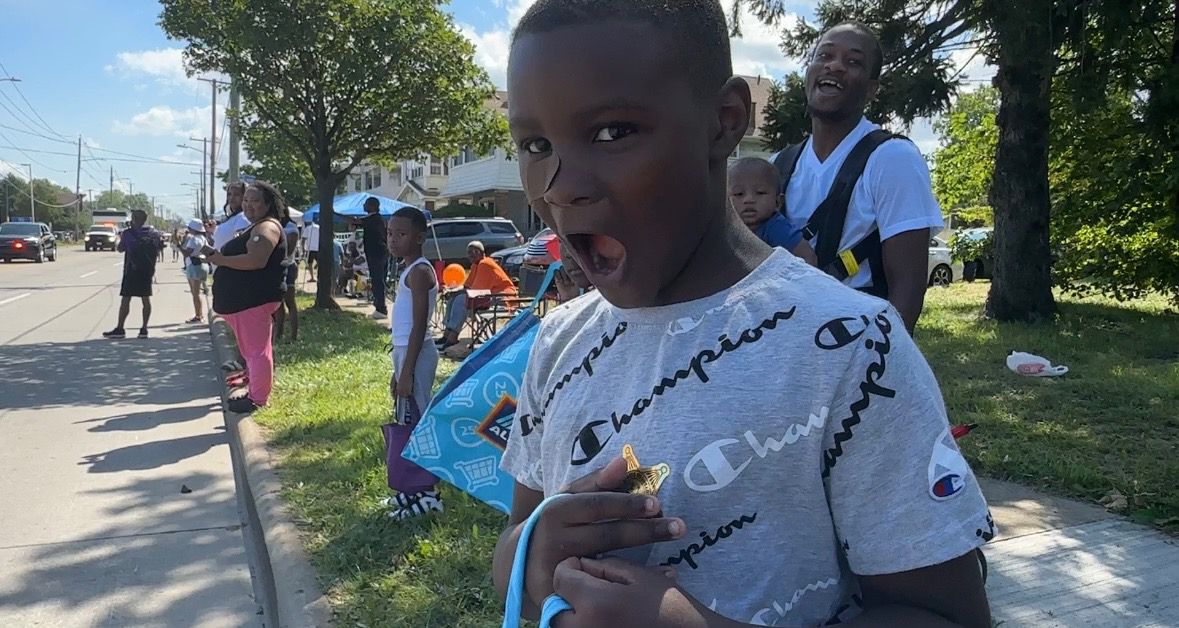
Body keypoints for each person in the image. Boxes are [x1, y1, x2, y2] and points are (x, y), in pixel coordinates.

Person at [491, 2, 993, 627]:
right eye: (535, 144)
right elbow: (513, 541)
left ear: (725, 120)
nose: (558, 185)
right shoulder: (559, 342)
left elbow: (947, 618)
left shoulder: (851, 348)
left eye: (612, 132)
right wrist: (533, 554)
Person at [776, 22, 944, 334]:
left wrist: (881, 362)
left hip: (854, 342)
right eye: (824, 55)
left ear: (870, 89)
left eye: (853, 62)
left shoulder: (892, 159)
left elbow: (907, 285)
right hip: (783, 344)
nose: (834, 65)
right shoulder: (780, 165)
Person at [206, 181, 287, 414]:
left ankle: (258, 399)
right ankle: (255, 390)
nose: (248, 205)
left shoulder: (267, 228)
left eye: (255, 201)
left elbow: (256, 260)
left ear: (268, 204)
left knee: (257, 352)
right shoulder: (258, 226)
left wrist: (221, 260)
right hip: (245, 302)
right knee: (253, 351)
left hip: (253, 301)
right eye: (246, 200)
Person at [384, 206, 442, 519]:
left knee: (417, 423)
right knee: (406, 419)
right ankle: (411, 490)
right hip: (405, 354)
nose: (393, 240)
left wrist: (407, 371)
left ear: (419, 237)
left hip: (417, 355)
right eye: (390, 233)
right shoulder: (408, 269)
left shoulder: (421, 271)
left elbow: (420, 325)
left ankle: (428, 493)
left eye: (401, 234)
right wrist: (398, 371)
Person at [728, 157, 818, 265]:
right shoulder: (726, 228)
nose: (749, 200)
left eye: (760, 192)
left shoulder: (777, 229)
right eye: (739, 194)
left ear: (778, 202)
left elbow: (809, 259)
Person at [435, 241, 518, 348]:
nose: (470, 255)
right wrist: (452, 291)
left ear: (480, 252)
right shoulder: (476, 265)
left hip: (502, 299)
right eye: (468, 252)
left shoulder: (485, 264)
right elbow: (467, 287)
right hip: (487, 297)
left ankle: (453, 337)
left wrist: (457, 292)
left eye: (473, 252)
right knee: (453, 298)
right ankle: (447, 334)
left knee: (461, 300)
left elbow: (474, 292)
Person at [103, 210, 163, 339]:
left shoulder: (128, 233)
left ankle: (120, 328)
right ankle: (144, 329)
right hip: (147, 271)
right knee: (145, 300)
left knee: (126, 299)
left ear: (135, 219)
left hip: (131, 270)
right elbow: (158, 249)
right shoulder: (154, 234)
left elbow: (120, 249)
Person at [353, 197, 390, 319]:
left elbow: (356, 222)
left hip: (376, 253)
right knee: (379, 280)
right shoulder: (379, 219)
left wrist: (336, 214)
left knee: (377, 280)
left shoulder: (373, 219)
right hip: (381, 253)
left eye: (366, 204)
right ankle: (379, 305)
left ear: (372, 206)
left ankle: (381, 308)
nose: (364, 206)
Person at [273, 213, 300, 343]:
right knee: (278, 303)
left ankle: (294, 336)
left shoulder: (291, 228)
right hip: (276, 268)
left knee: (290, 301)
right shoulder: (274, 226)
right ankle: (279, 333)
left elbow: (288, 251)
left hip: (288, 266)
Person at [180, 218, 210, 324]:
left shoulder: (193, 239)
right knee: (197, 293)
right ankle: (199, 314)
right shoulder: (203, 238)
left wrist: (179, 245)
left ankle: (199, 315)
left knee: (195, 293)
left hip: (194, 266)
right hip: (202, 264)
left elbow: (187, 253)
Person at [213, 181, 252, 256]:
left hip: (231, 265)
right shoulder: (233, 218)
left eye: (237, 194)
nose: (232, 197)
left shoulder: (242, 217)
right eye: (229, 194)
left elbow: (241, 246)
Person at [303, 218, 321, 283]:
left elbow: (303, 238)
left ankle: (312, 277)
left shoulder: (307, 228)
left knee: (310, 263)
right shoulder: (319, 228)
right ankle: (320, 277)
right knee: (320, 263)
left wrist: (303, 249)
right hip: (318, 248)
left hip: (310, 248)